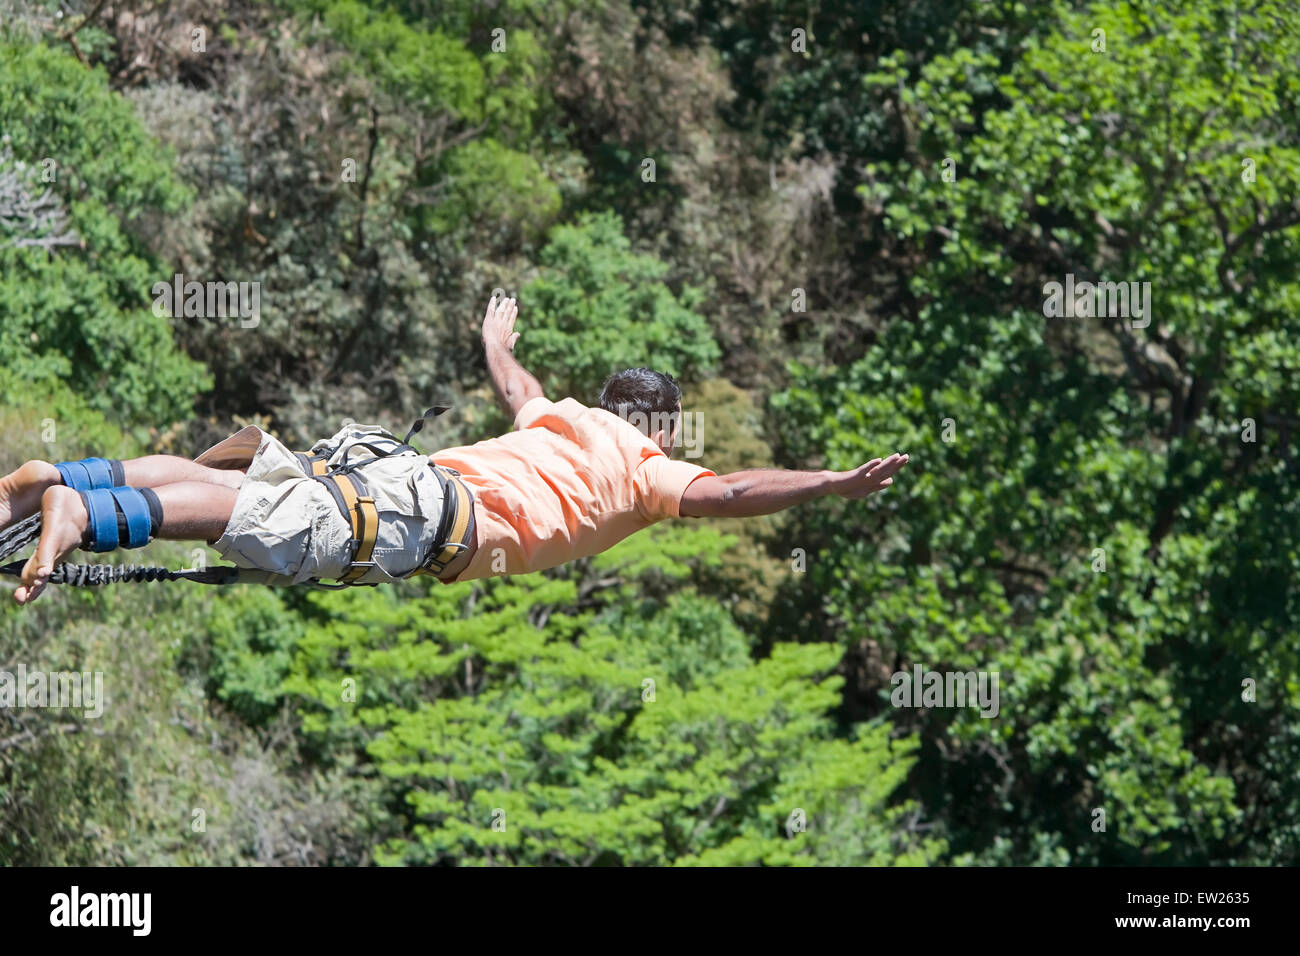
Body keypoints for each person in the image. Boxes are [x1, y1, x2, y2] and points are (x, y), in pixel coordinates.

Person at [0, 296, 908, 605]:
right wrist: (827, 483)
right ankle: (84, 512)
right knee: (260, 520)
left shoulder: (560, 417)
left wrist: (494, 337)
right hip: (423, 516)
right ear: (662, 427)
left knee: (242, 477)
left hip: (398, 470)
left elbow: (514, 384)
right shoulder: (643, 467)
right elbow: (729, 492)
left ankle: (70, 479)